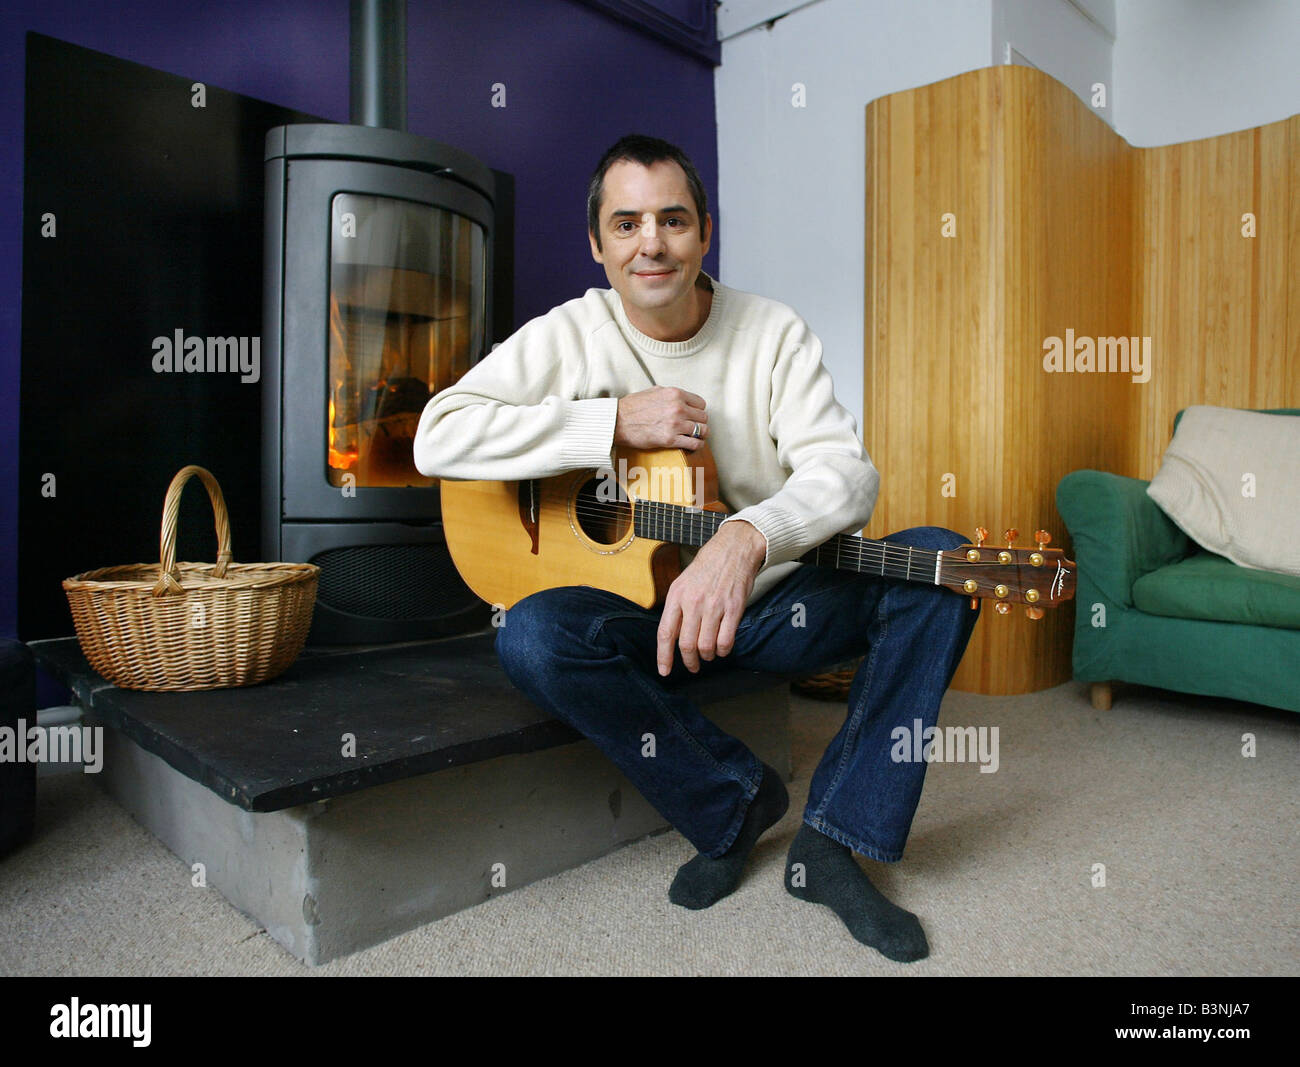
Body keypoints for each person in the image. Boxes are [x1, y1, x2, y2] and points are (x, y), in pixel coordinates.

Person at [414, 133, 978, 962]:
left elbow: (847, 476)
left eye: (673, 220)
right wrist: (607, 423)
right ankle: (734, 803)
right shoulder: (569, 333)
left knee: (941, 564)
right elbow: (436, 437)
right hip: (646, 627)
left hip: (771, 613)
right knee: (532, 636)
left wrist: (748, 537)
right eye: (628, 223)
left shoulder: (773, 332)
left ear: (705, 233)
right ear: (598, 243)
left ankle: (832, 839)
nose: (652, 243)